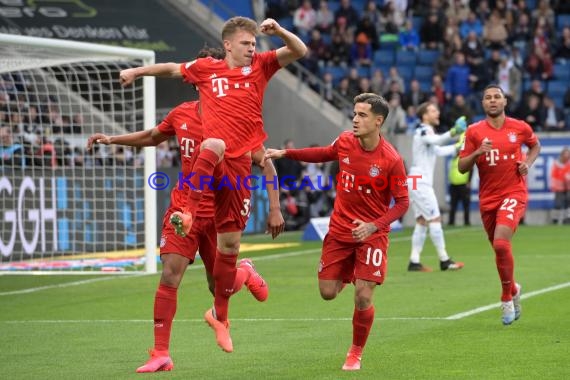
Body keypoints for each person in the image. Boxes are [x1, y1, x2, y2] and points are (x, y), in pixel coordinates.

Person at [119, 16, 306, 353]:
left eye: (254, 44)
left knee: (224, 266)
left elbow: (299, 49)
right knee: (213, 144)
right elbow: (172, 69)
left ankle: (231, 296)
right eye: (247, 44)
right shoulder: (202, 76)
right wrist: (137, 72)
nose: (252, 49)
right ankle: (160, 352)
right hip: (203, 181)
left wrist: (278, 31)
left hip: (237, 171)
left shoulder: (261, 66)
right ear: (228, 45)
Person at [86, 99, 285, 371]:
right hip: (183, 210)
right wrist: (112, 139)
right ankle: (161, 353)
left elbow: (267, 163)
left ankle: (246, 272)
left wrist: (275, 207)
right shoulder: (181, 113)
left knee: (218, 287)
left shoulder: (236, 120)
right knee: (170, 273)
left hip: (218, 217)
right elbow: (154, 136)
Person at [265, 93, 409, 371]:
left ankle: (355, 353)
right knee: (327, 293)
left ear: (378, 121)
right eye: (354, 114)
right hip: (340, 230)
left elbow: (403, 203)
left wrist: (373, 225)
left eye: (362, 115)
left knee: (363, 296)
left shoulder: (391, 159)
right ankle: (353, 273)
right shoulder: (345, 141)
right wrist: (286, 153)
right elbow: (322, 153)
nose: (355, 119)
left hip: (372, 235)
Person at [459, 84, 541, 325]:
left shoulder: (520, 127)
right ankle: (514, 287)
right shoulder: (474, 132)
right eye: (488, 98)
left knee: (501, 243)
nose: (493, 100)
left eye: (497, 97)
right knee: (498, 249)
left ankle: (506, 297)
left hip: (514, 192)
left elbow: (535, 145)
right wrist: (477, 154)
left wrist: (527, 162)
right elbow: (462, 167)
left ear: (505, 101)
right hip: (488, 198)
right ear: (483, 103)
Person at [407, 102, 466, 272]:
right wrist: (454, 132)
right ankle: (444, 260)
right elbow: (437, 140)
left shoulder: (427, 131)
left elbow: (438, 150)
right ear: (424, 115)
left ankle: (414, 261)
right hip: (420, 181)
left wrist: (457, 147)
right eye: (433, 110)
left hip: (416, 180)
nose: (437, 113)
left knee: (422, 221)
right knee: (435, 219)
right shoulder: (423, 130)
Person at [448, 133, 471, 226]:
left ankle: (466, 222)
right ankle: (451, 222)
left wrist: (468, 181)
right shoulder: (453, 159)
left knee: (466, 205)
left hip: (463, 184)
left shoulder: (464, 158)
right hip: (453, 184)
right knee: (453, 205)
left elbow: (471, 169)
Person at [549, 147, 570, 224]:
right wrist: (554, 185)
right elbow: (553, 176)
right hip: (559, 187)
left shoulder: (569, 164)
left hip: (568, 187)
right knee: (558, 204)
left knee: (568, 203)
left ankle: (567, 219)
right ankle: (555, 219)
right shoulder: (556, 164)